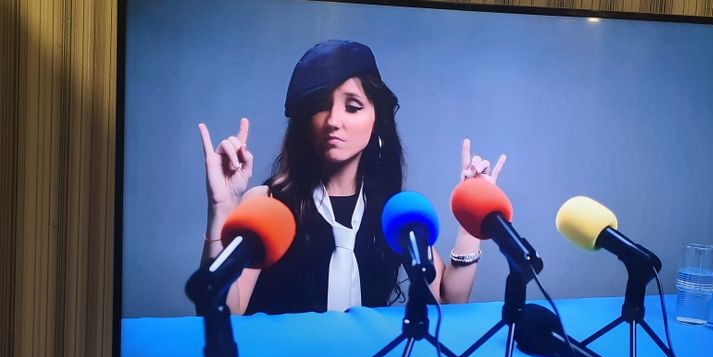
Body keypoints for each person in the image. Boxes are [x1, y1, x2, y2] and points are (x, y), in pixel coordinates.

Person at [198, 39, 506, 315]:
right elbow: (224, 310)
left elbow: (448, 301)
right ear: (305, 123)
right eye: (321, 106)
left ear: (376, 121)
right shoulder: (268, 204)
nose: (334, 120)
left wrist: (471, 223)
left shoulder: (392, 212)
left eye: (353, 106)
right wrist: (222, 208)